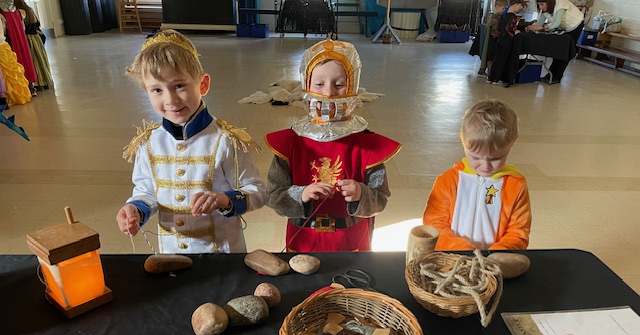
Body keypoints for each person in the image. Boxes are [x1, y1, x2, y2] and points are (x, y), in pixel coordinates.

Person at [116, 30, 268, 254]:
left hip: (223, 256)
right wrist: (134, 209)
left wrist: (223, 199)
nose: (170, 100)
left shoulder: (226, 141)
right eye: (157, 90)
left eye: (179, 86)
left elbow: (258, 192)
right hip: (171, 255)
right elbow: (146, 190)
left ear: (203, 84)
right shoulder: (147, 142)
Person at [265, 38, 401, 252]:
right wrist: (300, 194)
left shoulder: (367, 145)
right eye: (319, 84)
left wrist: (361, 194)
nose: (328, 93)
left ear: (353, 85)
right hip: (303, 242)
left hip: (351, 243)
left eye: (339, 84)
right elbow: (274, 196)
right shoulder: (290, 143)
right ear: (306, 85)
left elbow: (380, 198)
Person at [423, 99, 531, 251]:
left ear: (512, 142)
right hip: (451, 260)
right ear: (462, 138)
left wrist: (494, 256)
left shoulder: (516, 186)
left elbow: (518, 232)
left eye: (496, 158)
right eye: (475, 157)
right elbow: (434, 224)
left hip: (494, 264)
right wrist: (463, 250)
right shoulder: (447, 181)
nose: (485, 166)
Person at [525, 0, 584, 84]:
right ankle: (550, 75)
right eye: (539, 5)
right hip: (565, 28)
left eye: (542, 4)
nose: (541, 7)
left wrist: (542, 27)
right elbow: (540, 23)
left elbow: (556, 23)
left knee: (565, 53)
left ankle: (557, 76)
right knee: (558, 51)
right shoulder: (546, 10)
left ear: (548, 2)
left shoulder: (560, 5)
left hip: (575, 26)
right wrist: (531, 27)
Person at [487, 0, 527, 87]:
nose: (519, 9)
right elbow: (509, 29)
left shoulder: (503, 16)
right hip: (507, 41)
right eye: (519, 7)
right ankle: (497, 78)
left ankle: (491, 78)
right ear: (516, 5)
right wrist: (515, 33)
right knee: (503, 59)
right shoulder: (512, 17)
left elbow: (500, 28)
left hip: (500, 40)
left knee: (497, 59)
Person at [14, 0, 52, 90]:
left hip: (28, 39)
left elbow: (23, 28)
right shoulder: (30, 10)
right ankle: (46, 81)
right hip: (36, 38)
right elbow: (37, 24)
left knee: (33, 61)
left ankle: (38, 83)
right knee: (41, 59)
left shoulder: (19, 13)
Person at [0, 0, 36, 95]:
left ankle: (29, 84)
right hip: (8, 40)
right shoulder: (2, 12)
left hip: (20, 39)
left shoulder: (19, 12)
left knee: (24, 58)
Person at [0, 12, 30, 106]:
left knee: (6, 72)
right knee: (9, 71)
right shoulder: (1, 16)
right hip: (4, 45)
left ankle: (7, 96)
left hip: (1, 46)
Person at [482, 0, 508, 77]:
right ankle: (490, 73)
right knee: (490, 58)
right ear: (497, 7)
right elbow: (493, 31)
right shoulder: (494, 19)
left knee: (492, 58)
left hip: (495, 40)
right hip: (492, 40)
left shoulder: (498, 17)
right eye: (503, 8)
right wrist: (501, 34)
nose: (504, 10)